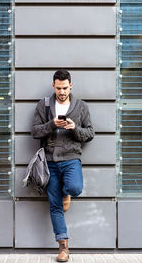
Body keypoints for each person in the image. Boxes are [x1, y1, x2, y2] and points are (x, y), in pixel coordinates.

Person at [31, 69, 94, 262]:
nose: (62, 92)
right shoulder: (44, 105)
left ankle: (66, 192)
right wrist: (52, 125)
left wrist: (75, 128)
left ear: (70, 85)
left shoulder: (81, 106)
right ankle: (63, 247)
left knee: (74, 188)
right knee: (55, 205)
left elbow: (90, 133)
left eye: (65, 88)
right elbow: (34, 132)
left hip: (71, 158)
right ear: (53, 86)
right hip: (49, 162)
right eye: (58, 88)